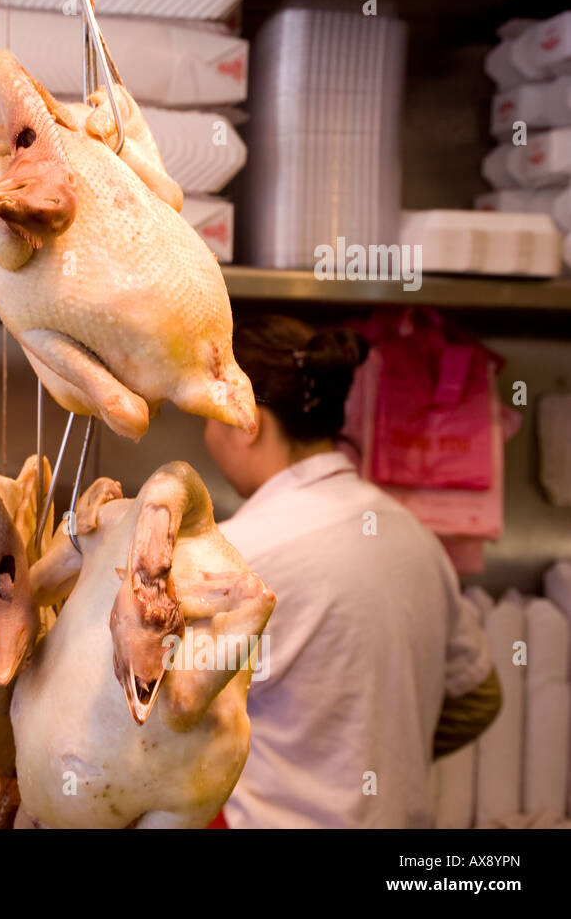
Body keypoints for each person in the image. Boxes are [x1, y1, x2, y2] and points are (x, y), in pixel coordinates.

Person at [202, 314, 500, 828]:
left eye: (206, 416)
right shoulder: (414, 537)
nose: (206, 433)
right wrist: (377, 754)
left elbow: (148, 720)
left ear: (246, 423)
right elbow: (479, 696)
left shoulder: (231, 555)